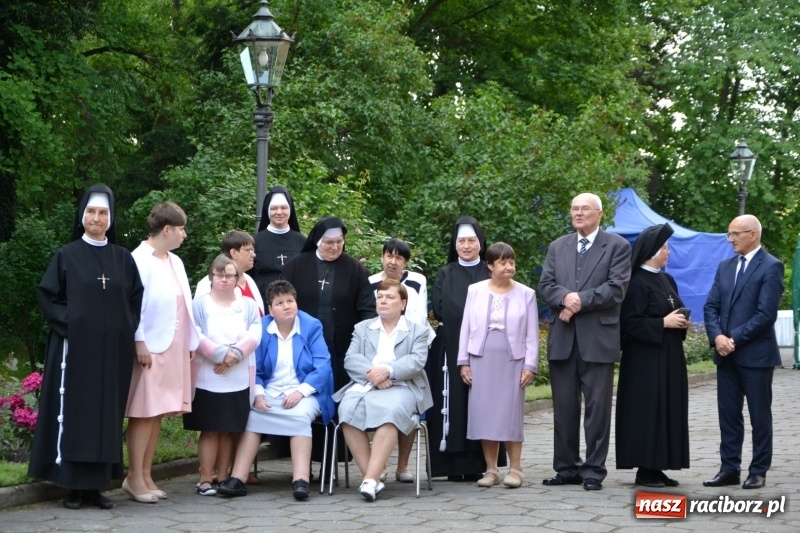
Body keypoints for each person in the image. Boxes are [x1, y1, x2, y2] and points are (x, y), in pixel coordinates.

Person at [29, 185, 144, 510]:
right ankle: (73, 488)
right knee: (76, 414)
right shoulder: (67, 255)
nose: (97, 218)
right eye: (91, 212)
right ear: (82, 216)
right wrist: (75, 326)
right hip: (74, 350)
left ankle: (96, 487)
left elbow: (135, 300)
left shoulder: (122, 259)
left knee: (105, 416)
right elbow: (49, 296)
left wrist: (124, 328)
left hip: (112, 354)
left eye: (103, 213)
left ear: (111, 218)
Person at [537, 192, 631, 491]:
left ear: (599, 214)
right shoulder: (557, 246)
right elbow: (545, 285)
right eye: (574, 208)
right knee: (564, 407)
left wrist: (579, 300)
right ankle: (566, 468)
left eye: (585, 209)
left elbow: (617, 289)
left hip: (598, 338)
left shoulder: (617, 246)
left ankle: (593, 470)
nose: (578, 214)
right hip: (563, 338)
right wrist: (565, 298)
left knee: (597, 409)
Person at [216, 280, 334, 501]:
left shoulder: (311, 326)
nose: (287, 306)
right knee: (252, 416)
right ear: (270, 309)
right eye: (280, 303)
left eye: (290, 301)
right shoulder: (261, 328)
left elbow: (323, 365)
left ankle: (301, 481)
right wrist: (258, 394)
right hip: (270, 391)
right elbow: (256, 369)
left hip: (307, 391)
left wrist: (300, 392)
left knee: (300, 416)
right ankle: (238, 479)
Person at [125, 201, 199, 503]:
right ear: (166, 229)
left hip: (174, 346)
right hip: (150, 347)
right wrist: (139, 341)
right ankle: (133, 477)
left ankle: (145, 474)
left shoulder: (174, 260)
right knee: (143, 413)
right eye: (181, 229)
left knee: (157, 414)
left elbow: (184, 304)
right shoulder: (138, 259)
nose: (184, 234)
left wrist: (190, 343)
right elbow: (132, 305)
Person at [333, 279, 433, 501]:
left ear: (403, 303)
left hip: (403, 385)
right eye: (380, 297)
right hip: (367, 383)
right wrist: (375, 375)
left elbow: (416, 362)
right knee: (347, 411)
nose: (383, 301)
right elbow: (351, 359)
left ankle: (369, 479)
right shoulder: (362, 328)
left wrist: (388, 371)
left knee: (390, 413)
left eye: (390, 297)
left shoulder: (417, 331)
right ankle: (375, 476)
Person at [703, 214, 783, 490]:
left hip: (755, 356)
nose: (730, 239)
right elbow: (711, 306)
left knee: (759, 415)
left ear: (753, 234)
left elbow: (765, 315)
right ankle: (729, 469)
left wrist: (733, 339)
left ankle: (758, 470)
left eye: (736, 234)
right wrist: (717, 337)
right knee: (728, 415)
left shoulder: (771, 266)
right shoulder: (725, 266)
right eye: (729, 233)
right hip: (726, 356)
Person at [458, 243, 538, 489]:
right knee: (485, 414)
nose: (509, 267)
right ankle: (491, 469)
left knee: (511, 414)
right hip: (481, 358)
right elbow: (466, 328)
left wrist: (530, 365)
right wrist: (464, 362)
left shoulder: (526, 294)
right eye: (503, 262)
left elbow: (532, 334)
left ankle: (516, 468)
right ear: (490, 265)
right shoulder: (475, 290)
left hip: (513, 359)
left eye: (511, 262)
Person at [615, 223, 690, 487]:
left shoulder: (667, 279)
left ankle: (659, 466)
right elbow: (630, 323)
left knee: (668, 410)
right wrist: (662, 324)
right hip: (644, 362)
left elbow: (675, 309)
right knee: (648, 412)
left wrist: (681, 321)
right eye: (665, 247)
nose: (668, 252)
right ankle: (644, 469)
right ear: (652, 250)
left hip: (670, 358)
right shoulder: (635, 283)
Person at [184, 255, 262, 496]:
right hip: (208, 375)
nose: (224, 280)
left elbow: (255, 332)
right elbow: (194, 333)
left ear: (237, 279)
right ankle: (205, 478)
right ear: (211, 277)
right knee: (210, 429)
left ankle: (224, 476)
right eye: (219, 275)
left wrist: (234, 355)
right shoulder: (200, 305)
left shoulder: (247, 305)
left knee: (228, 429)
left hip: (237, 375)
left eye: (229, 275)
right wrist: (219, 355)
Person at [426, 216, 495, 481]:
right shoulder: (446, 273)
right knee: (452, 403)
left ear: (481, 243)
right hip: (450, 346)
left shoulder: (489, 272)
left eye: (471, 241)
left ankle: (479, 464)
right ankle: (451, 467)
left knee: (479, 403)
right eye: (461, 241)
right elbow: (440, 308)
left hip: (486, 348)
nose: (466, 246)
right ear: (455, 245)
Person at [281, 215, 376, 390]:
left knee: (338, 383)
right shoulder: (296, 266)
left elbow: (368, 310)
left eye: (339, 242)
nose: (335, 247)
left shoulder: (355, 269)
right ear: (317, 241)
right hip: (303, 338)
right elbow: (279, 302)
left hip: (342, 341)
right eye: (329, 242)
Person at [368, 238, 435, 483]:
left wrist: (402, 362)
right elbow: (369, 320)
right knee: (379, 406)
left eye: (399, 257)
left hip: (410, 352)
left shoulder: (418, 281)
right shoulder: (371, 282)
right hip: (379, 354)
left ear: (405, 261)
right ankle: (380, 465)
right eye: (389, 255)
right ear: (382, 257)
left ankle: (403, 465)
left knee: (408, 408)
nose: (392, 261)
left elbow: (419, 319)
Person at [249, 186, 306, 296]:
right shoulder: (254, 241)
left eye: (284, 208)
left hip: (294, 300)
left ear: (290, 210)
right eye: (274, 208)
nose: (279, 212)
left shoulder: (302, 241)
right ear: (267, 210)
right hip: (262, 300)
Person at [196, 230, 264, 315]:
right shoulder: (209, 283)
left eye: (252, 250)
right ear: (234, 253)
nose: (253, 254)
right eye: (248, 250)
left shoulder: (249, 279)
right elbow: (200, 317)